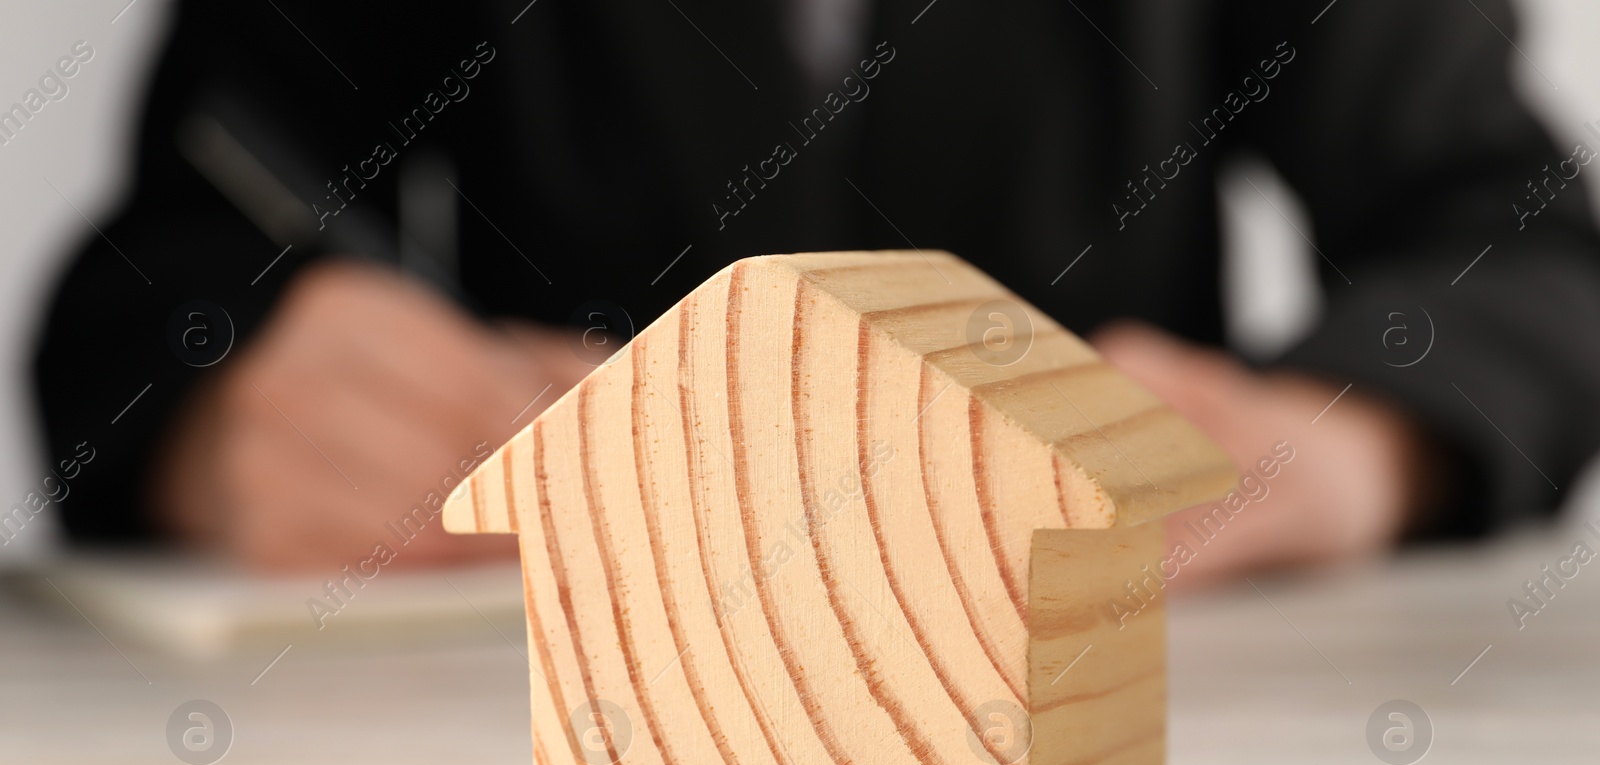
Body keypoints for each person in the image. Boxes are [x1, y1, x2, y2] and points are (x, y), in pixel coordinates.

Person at [32, 0, 1600, 583]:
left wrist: (1349, 446)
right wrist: (222, 400)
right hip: (533, 721)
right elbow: (175, 245)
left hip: (1155, 683)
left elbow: (1519, 244)